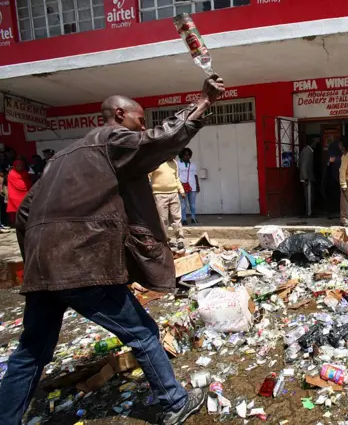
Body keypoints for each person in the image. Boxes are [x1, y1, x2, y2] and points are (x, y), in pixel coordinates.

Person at [0, 75, 225, 425]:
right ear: (119, 114)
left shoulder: (60, 158)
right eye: (139, 120)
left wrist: (36, 258)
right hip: (82, 262)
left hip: (43, 269)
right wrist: (203, 103)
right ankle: (173, 400)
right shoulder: (111, 140)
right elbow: (159, 140)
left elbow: (26, 212)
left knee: (30, 352)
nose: (142, 128)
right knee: (142, 332)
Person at [150, 158, 186, 250]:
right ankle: (165, 240)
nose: (174, 156)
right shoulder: (155, 162)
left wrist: (181, 190)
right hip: (159, 194)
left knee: (177, 217)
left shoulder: (174, 163)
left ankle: (180, 239)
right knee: (163, 219)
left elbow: (177, 178)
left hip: (174, 193)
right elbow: (148, 177)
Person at [6, 157, 32, 225]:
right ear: (15, 166)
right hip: (15, 194)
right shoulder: (11, 174)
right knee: (15, 208)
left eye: (21, 165)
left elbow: (28, 184)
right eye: (18, 166)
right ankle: (15, 222)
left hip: (25, 193)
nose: (20, 167)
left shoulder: (26, 173)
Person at [178, 147, 199, 225]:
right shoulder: (178, 163)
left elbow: (195, 175)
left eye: (189, 155)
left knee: (192, 204)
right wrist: (179, 186)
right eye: (185, 155)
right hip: (182, 186)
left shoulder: (193, 164)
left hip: (192, 186)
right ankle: (184, 219)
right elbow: (176, 176)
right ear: (182, 155)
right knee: (183, 204)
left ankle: (193, 218)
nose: (187, 156)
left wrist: (197, 185)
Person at [299, 138, 318, 216]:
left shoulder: (308, 151)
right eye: (316, 143)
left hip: (308, 177)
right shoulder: (307, 151)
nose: (316, 145)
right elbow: (304, 165)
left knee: (309, 195)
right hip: (307, 178)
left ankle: (309, 211)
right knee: (309, 196)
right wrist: (305, 178)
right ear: (312, 143)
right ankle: (309, 213)